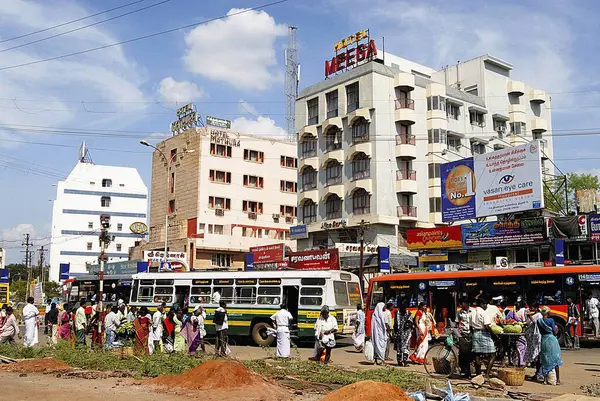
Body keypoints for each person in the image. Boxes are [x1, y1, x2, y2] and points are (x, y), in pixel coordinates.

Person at [470, 298, 496, 377]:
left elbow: (470, 326)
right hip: (484, 333)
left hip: (475, 333)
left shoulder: (472, 313)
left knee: (477, 354)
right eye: (485, 305)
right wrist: (493, 334)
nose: (486, 307)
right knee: (493, 354)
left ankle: (478, 374)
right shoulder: (484, 313)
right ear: (482, 304)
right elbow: (487, 326)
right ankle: (487, 374)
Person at [537, 306, 562, 384]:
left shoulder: (539, 321)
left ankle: (545, 380)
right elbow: (554, 332)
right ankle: (557, 380)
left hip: (544, 340)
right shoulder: (551, 320)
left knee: (545, 359)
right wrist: (557, 330)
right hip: (552, 340)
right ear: (548, 313)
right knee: (555, 359)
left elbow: (541, 332)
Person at [456, 298, 472, 378]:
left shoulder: (473, 311)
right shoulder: (459, 312)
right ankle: (464, 371)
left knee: (469, 354)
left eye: (462, 303)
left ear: (466, 303)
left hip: (471, 334)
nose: (460, 305)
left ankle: (468, 372)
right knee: (462, 353)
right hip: (463, 335)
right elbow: (457, 323)